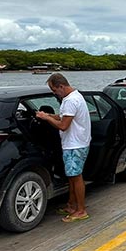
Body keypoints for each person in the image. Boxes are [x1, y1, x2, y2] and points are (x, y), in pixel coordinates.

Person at [36, 73, 92, 222]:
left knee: (76, 177)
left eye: (54, 90)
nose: (54, 93)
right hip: (78, 142)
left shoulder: (70, 101)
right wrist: (48, 114)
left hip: (75, 145)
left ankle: (81, 210)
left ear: (61, 86)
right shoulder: (75, 97)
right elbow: (64, 117)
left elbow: (63, 126)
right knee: (72, 177)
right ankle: (71, 205)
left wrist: (47, 118)